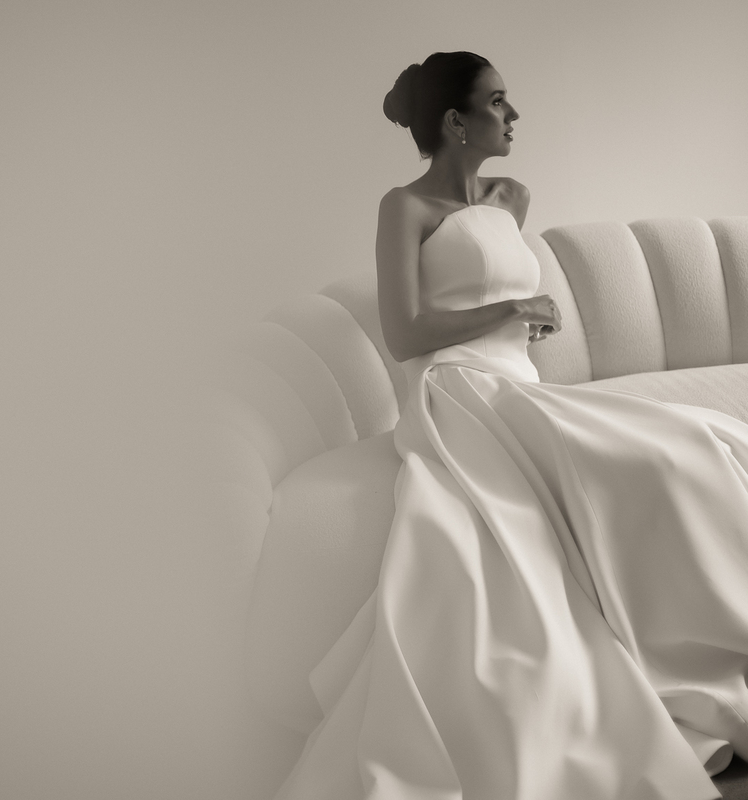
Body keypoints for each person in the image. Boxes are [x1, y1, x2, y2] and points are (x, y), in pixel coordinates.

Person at [272, 51, 748, 800]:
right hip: (456, 392)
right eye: (497, 101)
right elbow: (405, 332)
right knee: (656, 457)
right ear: (455, 121)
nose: (513, 114)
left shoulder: (512, 199)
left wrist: (522, 323)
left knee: (696, 440)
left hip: (519, 385)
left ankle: (703, 642)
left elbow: (494, 290)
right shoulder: (404, 207)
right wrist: (514, 308)